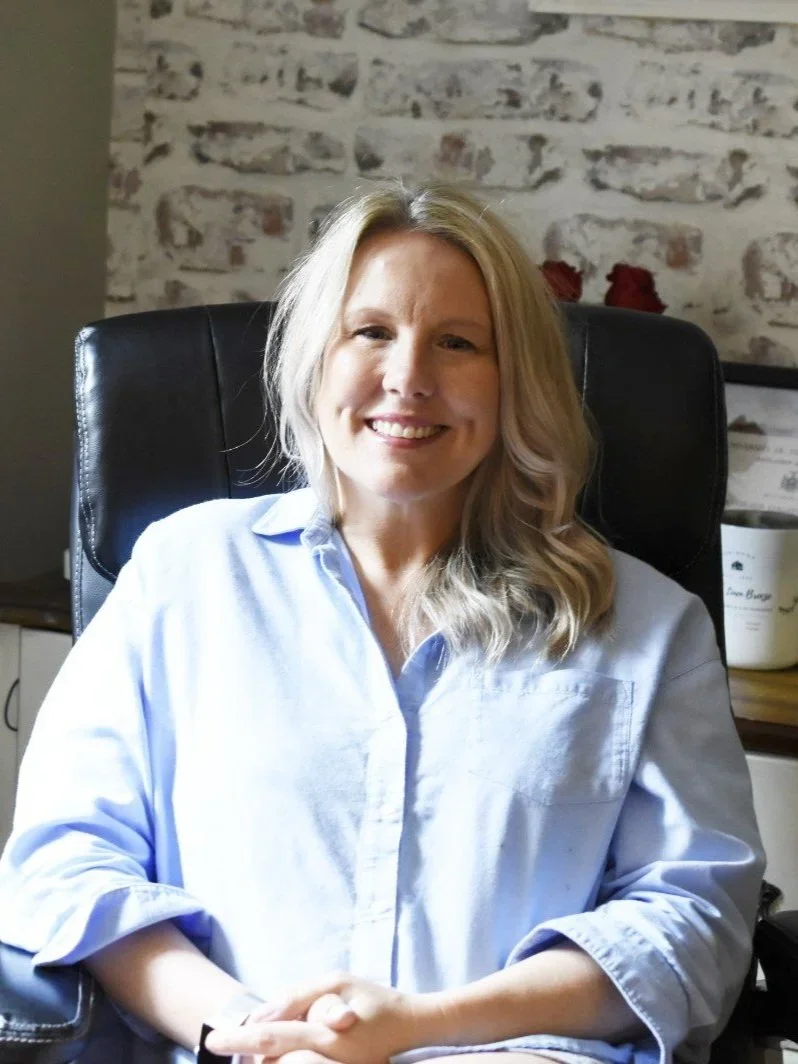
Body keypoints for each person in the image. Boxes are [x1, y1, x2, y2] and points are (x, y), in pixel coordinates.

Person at [0, 182, 763, 1064]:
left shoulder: (648, 628)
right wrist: (251, 1035)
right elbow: (68, 861)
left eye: (457, 342)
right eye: (370, 331)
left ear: (516, 380)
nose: (408, 378)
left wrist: (418, 1026)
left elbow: (693, 922)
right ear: (316, 360)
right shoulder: (184, 575)